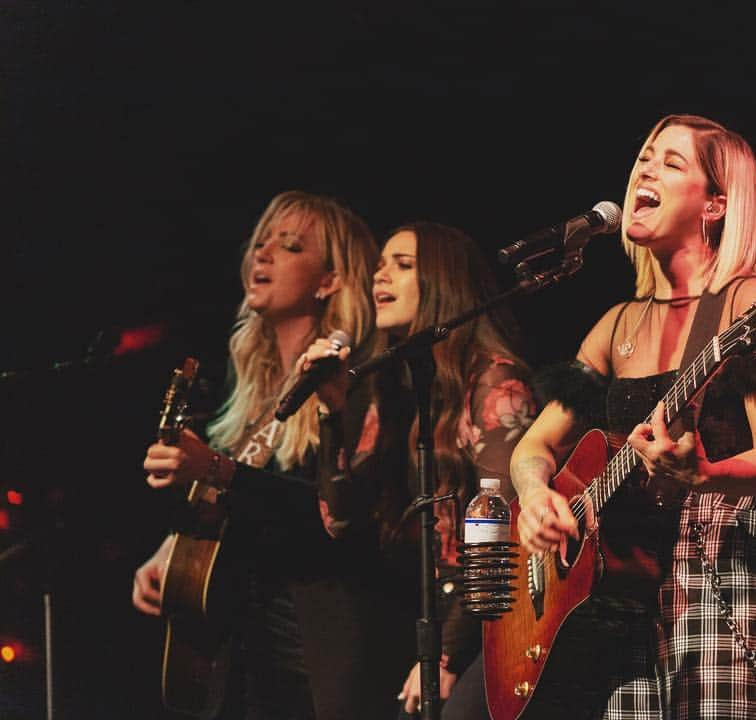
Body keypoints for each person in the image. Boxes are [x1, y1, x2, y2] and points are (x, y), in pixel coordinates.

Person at [510, 114, 756, 719]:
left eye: (671, 162)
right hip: (621, 590)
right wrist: (535, 496)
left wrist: (705, 474)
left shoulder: (751, 304)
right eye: (645, 158)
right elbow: (533, 448)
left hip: (723, 569)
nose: (645, 169)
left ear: (715, 205)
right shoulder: (615, 326)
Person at [130, 190, 415, 719]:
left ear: (328, 280)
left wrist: (215, 468)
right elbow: (243, 509)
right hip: (244, 662)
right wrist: (173, 551)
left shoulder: (354, 383)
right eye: (259, 243)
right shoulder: (253, 391)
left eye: (287, 247)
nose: (261, 255)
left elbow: (335, 521)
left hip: (321, 662)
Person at [300, 220, 537, 720]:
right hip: (426, 611)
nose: (380, 276)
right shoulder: (393, 387)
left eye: (402, 265)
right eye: (380, 264)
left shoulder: (493, 380)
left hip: (497, 614)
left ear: (443, 283)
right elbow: (339, 518)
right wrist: (330, 411)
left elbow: (501, 526)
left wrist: (448, 654)